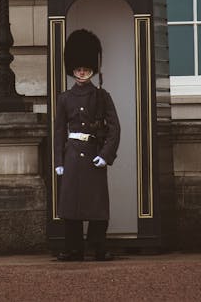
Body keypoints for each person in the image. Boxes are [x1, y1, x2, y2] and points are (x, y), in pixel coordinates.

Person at [54, 29, 120, 261]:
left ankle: (98, 247)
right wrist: (59, 161)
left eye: (86, 68)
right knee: (71, 204)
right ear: (73, 69)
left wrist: (105, 155)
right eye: (78, 69)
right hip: (72, 154)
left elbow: (114, 128)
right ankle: (74, 248)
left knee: (97, 205)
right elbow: (59, 131)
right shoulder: (64, 98)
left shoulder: (102, 96)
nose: (82, 72)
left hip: (93, 154)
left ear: (92, 69)